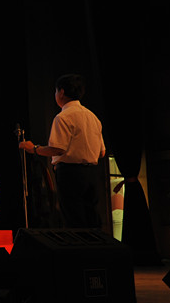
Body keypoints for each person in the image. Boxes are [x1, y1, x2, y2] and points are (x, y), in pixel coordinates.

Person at [19, 74, 106, 228]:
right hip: (92, 173)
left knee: (74, 219)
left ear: (61, 92)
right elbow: (102, 152)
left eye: (55, 91)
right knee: (92, 219)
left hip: (71, 174)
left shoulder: (63, 117)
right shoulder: (93, 117)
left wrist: (34, 149)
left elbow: (58, 149)